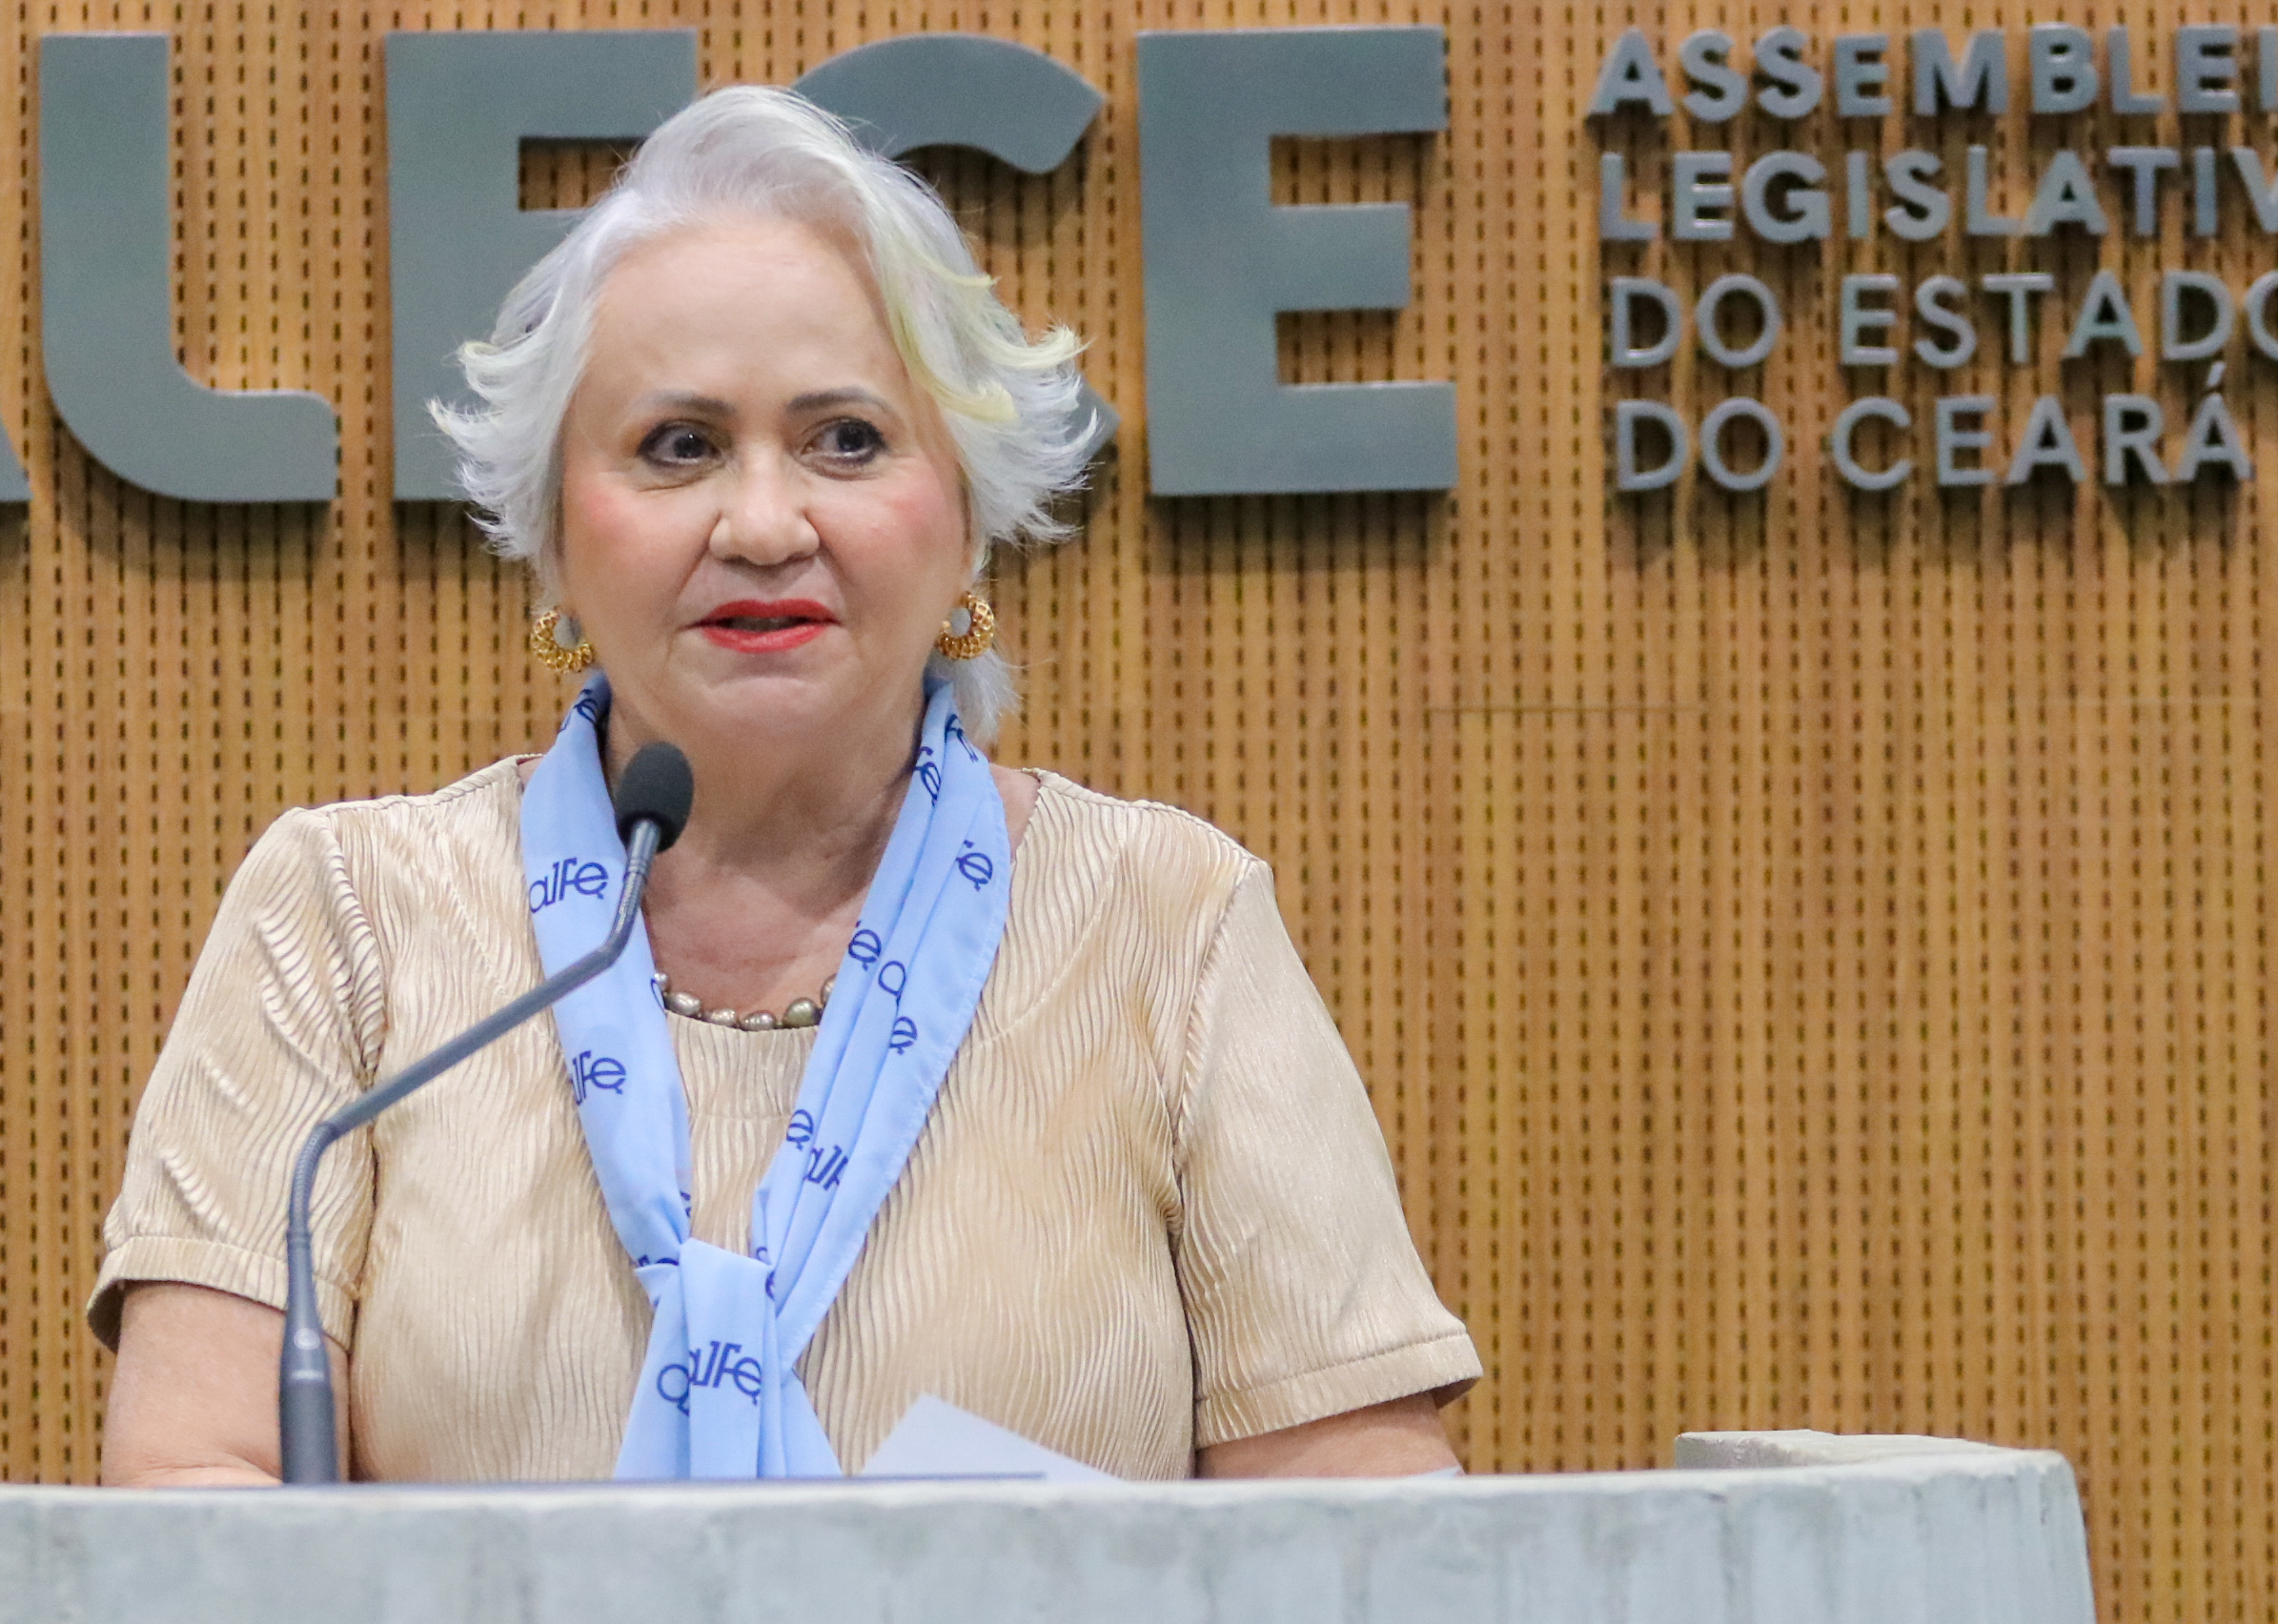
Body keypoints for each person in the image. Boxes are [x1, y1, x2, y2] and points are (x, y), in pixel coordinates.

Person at [93, 86, 1479, 1485]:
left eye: (847, 441)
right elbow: (199, 1493)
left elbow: (1359, 1533)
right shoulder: (349, 918)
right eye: (679, 447)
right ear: (556, 536)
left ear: (968, 520)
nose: (762, 525)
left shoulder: (1166, 924)